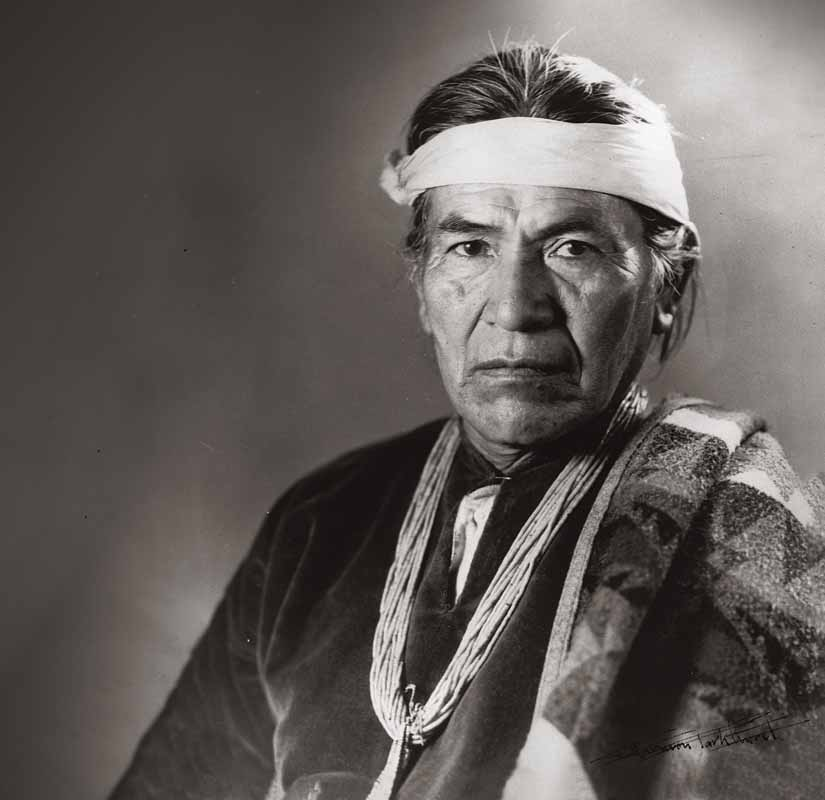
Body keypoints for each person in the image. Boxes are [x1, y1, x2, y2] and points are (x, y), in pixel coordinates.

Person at [109, 43, 825, 800]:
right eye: (471, 247)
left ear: (665, 285)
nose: (515, 308)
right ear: (422, 284)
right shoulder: (323, 521)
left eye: (571, 248)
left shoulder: (743, 537)